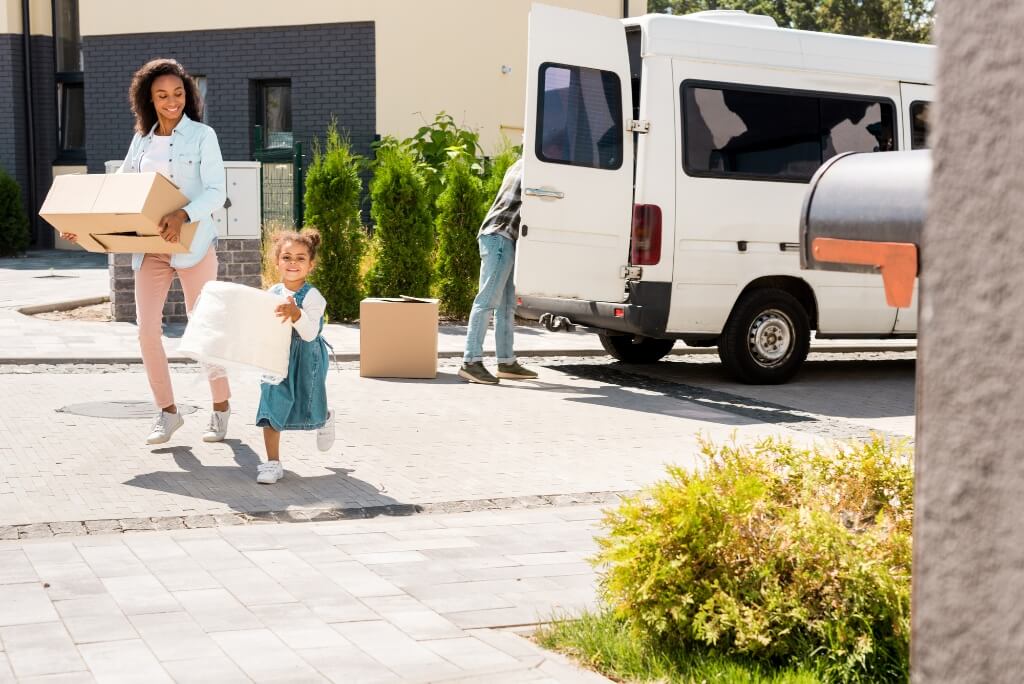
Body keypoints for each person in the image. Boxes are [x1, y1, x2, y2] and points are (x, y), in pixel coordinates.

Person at [62, 58, 230, 445]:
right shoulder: (141, 141)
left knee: (203, 329)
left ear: (187, 95)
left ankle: (220, 407)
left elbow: (216, 192)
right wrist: (85, 225)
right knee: (146, 332)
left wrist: (183, 213)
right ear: (148, 100)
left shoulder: (204, 136)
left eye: (178, 93)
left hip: (195, 245)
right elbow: (121, 195)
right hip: (150, 249)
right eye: (162, 96)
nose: (172, 101)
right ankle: (167, 412)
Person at [254, 229, 335, 485]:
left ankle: (325, 417)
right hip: (276, 359)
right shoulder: (271, 293)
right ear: (277, 261)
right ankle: (272, 463)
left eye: (301, 258)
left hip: (305, 359)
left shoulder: (313, 296)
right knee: (271, 403)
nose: (293, 263)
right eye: (287, 257)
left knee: (308, 401)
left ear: (311, 265)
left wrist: (296, 313)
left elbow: (311, 334)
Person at [458, 158, 538, 385]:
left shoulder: (520, 162)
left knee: (505, 305)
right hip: (500, 237)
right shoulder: (534, 166)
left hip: (501, 238)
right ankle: (471, 362)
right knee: (487, 301)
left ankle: (506, 362)